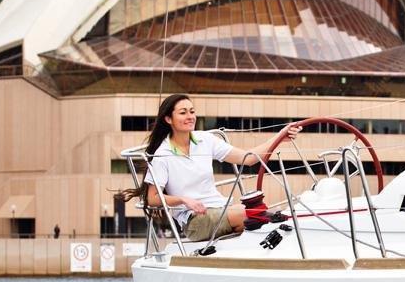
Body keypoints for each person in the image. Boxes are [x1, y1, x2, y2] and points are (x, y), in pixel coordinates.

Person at [119, 94, 302, 242]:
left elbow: (248, 159)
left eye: (192, 111)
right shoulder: (162, 154)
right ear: (168, 119)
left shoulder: (205, 139)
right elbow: (152, 199)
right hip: (194, 221)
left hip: (221, 208)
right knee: (254, 214)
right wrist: (183, 200)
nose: (190, 116)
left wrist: (279, 138)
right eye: (183, 112)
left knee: (259, 214)